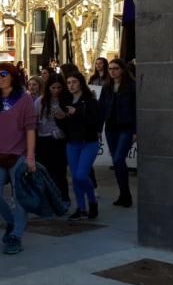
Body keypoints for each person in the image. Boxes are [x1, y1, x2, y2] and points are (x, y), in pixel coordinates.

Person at [0, 63, 37, 255]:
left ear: (12, 76)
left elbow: (30, 128)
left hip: (19, 154)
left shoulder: (25, 99)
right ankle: (12, 221)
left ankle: (16, 236)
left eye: (3, 74)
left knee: (20, 197)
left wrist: (30, 156)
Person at [59, 72, 102, 220]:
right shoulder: (66, 101)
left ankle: (92, 201)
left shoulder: (90, 101)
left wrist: (76, 112)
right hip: (72, 143)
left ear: (81, 83)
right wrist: (61, 118)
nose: (71, 85)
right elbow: (65, 126)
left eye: (74, 82)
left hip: (88, 142)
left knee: (81, 175)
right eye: (69, 82)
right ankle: (81, 208)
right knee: (75, 178)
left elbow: (94, 121)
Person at [100, 58, 136, 208]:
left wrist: (135, 130)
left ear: (122, 70)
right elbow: (101, 108)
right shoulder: (107, 87)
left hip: (126, 127)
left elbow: (136, 109)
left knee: (119, 158)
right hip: (111, 128)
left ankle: (126, 194)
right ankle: (123, 193)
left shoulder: (131, 87)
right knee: (116, 161)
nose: (112, 71)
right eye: (110, 68)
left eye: (115, 68)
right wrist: (97, 128)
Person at [35, 74, 70, 205]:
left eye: (59, 87)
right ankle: (50, 199)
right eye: (53, 87)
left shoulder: (66, 100)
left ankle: (64, 197)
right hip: (43, 140)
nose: (56, 90)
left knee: (60, 171)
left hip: (59, 140)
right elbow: (34, 120)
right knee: (46, 172)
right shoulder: (40, 101)